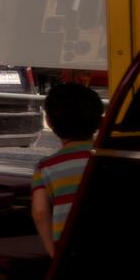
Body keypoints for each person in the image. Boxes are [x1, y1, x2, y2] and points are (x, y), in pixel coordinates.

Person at [31, 82, 103, 256]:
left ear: (48, 121)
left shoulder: (46, 167)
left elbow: (40, 213)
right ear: (100, 121)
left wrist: (54, 254)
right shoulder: (108, 158)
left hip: (69, 251)